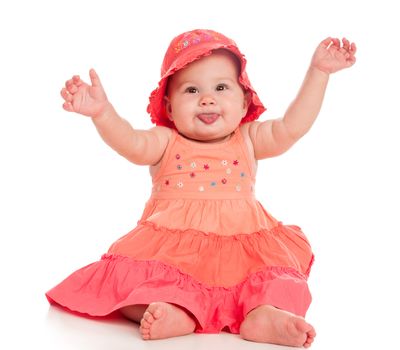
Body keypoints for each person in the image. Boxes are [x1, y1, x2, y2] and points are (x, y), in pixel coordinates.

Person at [46, 29, 356, 348]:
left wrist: (318, 73)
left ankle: (264, 314)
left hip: (241, 250)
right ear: (168, 108)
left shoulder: (248, 139)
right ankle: (177, 311)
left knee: (275, 282)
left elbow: (293, 126)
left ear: (245, 99)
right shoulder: (166, 142)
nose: (207, 98)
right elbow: (131, 142)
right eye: (191, 89)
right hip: (174, 253)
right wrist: (102, 113)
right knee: (135, 287)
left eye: (221, 87)